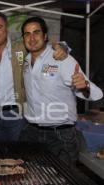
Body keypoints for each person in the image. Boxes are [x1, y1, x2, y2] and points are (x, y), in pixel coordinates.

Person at [19, 16, 103, 164]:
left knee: (62, 182)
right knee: (33, 180)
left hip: (60, 134)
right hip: (32, 131)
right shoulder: (26, 61)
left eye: (36, 32)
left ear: (45, 36)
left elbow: (94, 93)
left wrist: (85, 87)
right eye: (27, 34)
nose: (31, 38)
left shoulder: (62, 58)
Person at [0, 11, 68, 141]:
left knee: (19, 157)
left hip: (18, 114)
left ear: (6, 29)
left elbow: (45, 45)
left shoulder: (21, 47)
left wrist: (61, 47)